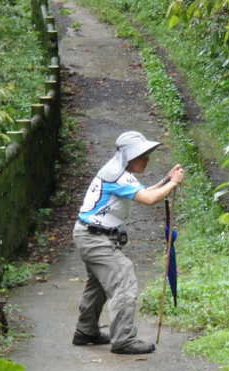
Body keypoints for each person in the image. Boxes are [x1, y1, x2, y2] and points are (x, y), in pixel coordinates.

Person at [71, 131, 184, 354]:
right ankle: (123, 339)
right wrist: (174, 184)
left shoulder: (117, 171)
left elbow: (140, 193)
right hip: (95, 238)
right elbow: (149, 199)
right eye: (142, 155)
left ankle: (86, 331)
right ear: (128, 156)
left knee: (98, 286)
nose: (147, 159)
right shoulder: (118, 175)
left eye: (147, 154)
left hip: (90, 235)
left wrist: (165, 181)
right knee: (123, 277)